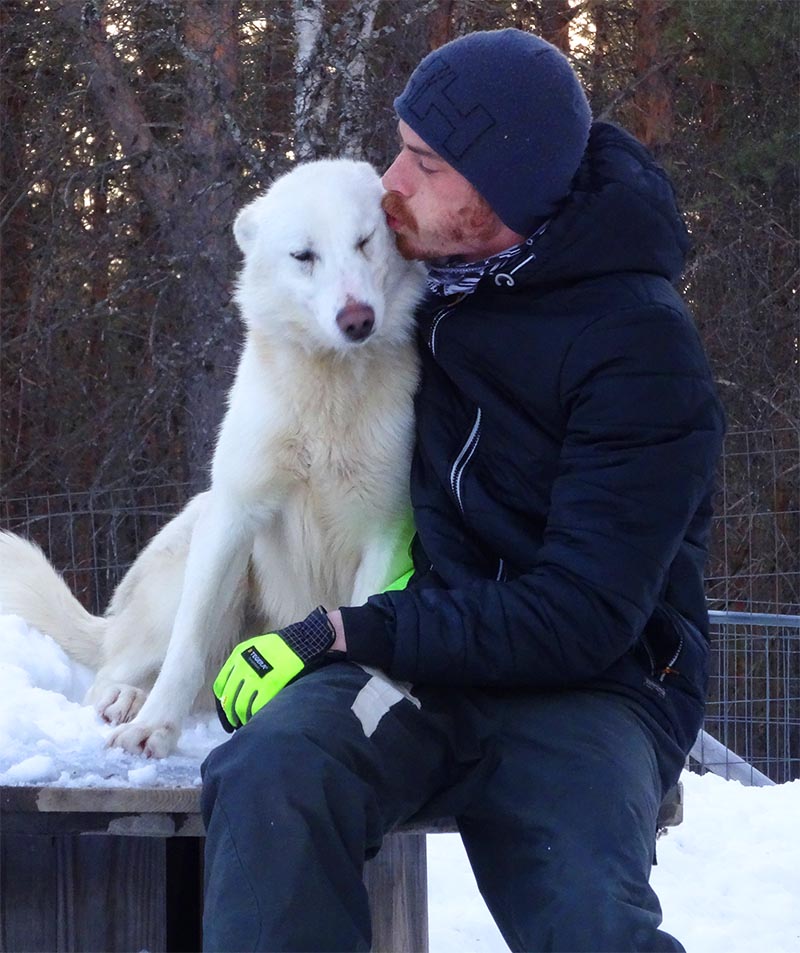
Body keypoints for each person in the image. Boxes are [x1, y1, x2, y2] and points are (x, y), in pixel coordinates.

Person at [201, 28, 725, 952]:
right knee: (275, 768)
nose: (390, 179)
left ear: (503, 190)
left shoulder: (642, 351)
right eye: (400, 146)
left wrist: (342, 629)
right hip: (426, 677)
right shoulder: (419, 282)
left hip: (591, 690)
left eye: (426, 162)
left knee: (591, 923)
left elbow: (578, 617)